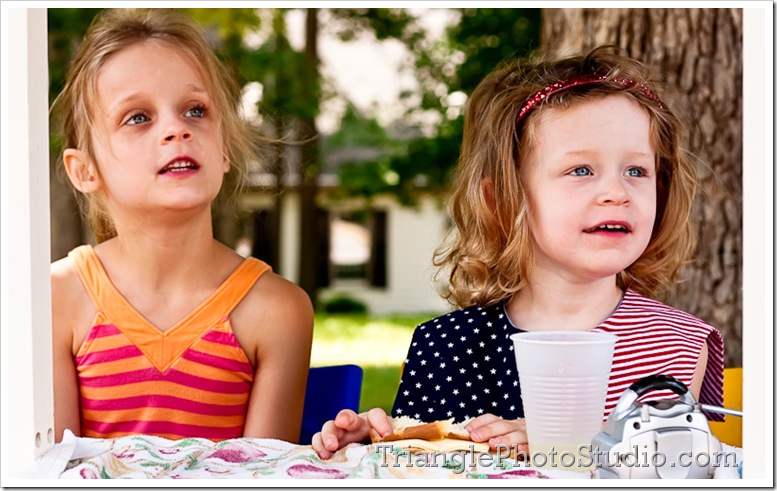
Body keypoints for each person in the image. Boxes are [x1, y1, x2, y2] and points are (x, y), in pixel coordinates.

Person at [313, 46, 725, 459]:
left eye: (637, 170)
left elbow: (671, 466)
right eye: (580, 170)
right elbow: (415, 462)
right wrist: (369, 450)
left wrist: (571, 448)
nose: (617, 193)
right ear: (503, 201)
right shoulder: (444, 345)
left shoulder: (677, 345)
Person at [50, 9, 313, 444]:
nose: (176, 129)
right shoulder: (55, 299)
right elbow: (54, 473)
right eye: (138, 117)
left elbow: (263, 475)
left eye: (195, 110)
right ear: (84, 170)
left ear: (224, 149)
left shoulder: (278, 311)